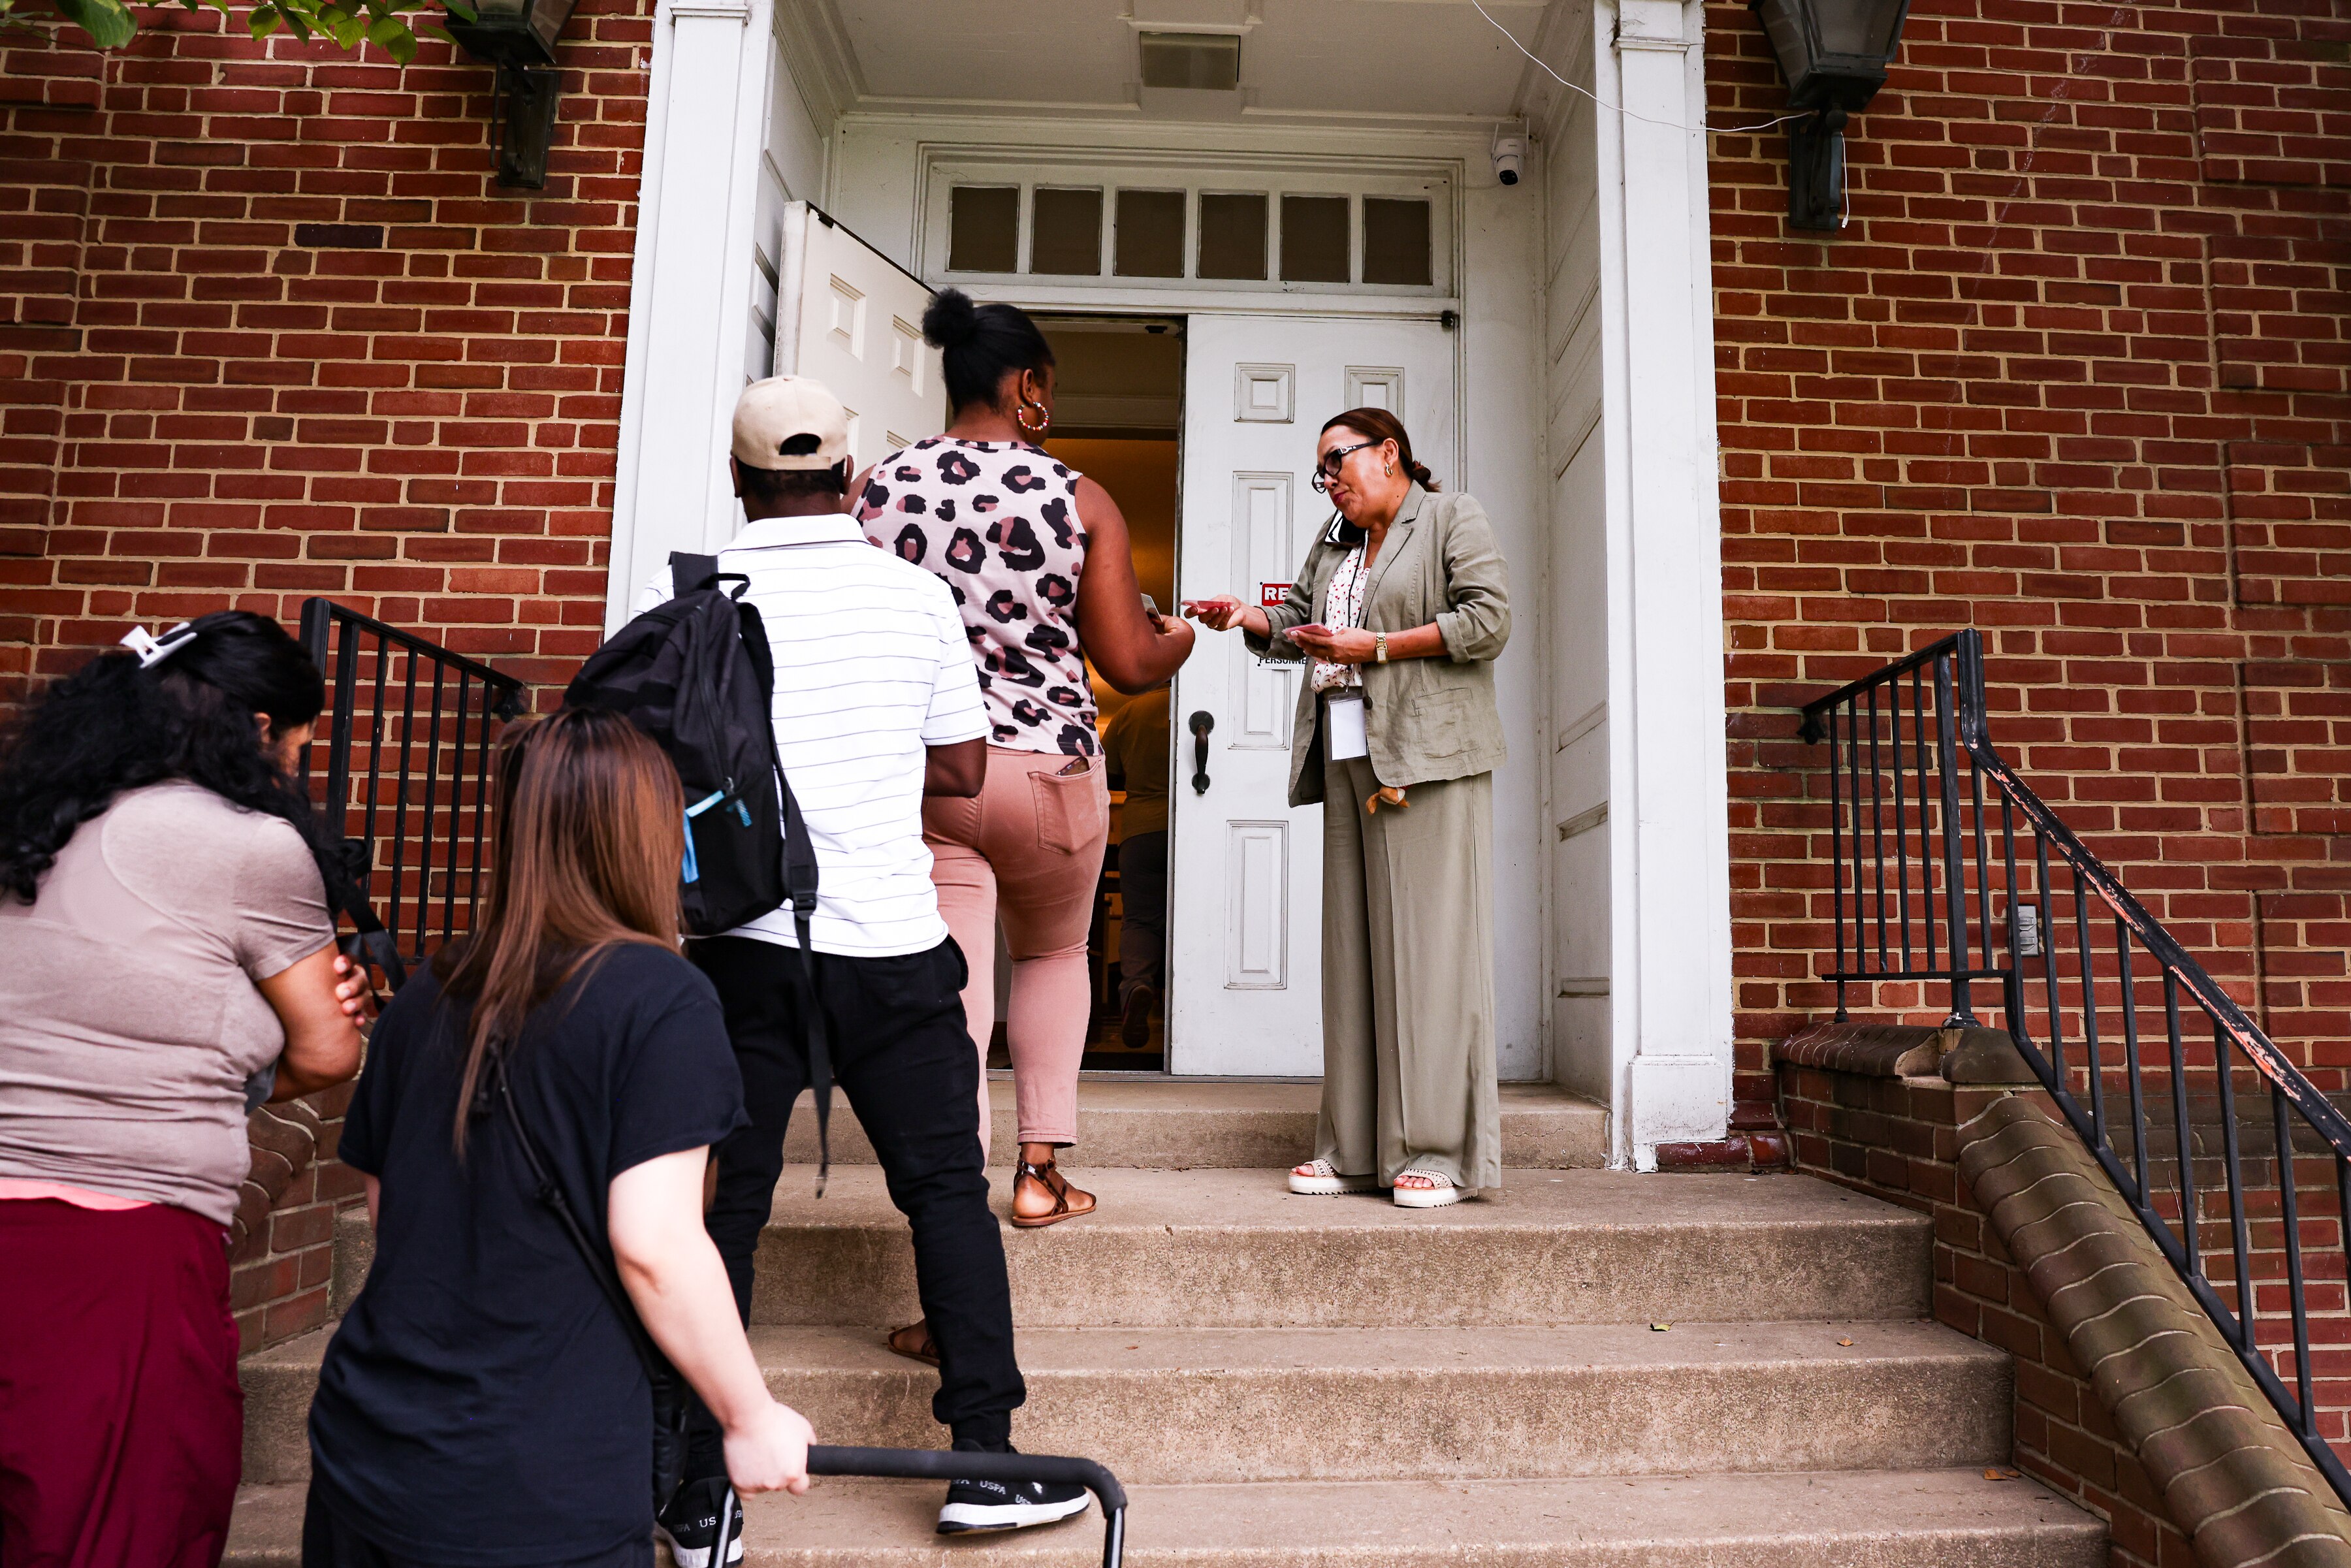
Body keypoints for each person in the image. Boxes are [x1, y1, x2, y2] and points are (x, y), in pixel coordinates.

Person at [641, 374, 1093, 1543]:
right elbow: (958, 772)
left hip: (737, 946)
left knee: (721, 1207)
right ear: (850, 480)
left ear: (739, 481)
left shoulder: (684, 594)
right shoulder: (913, 596)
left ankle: (698, 1493)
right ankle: (986, 1461)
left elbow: (639, 768)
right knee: (944, 1190)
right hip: (890, 940)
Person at [302, 707, 814, 1568]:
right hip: (531, 1476)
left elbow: (396, 1219)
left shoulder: (430, 993)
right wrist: (748, 1414)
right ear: (647, 835)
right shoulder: (663, 997)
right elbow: (653, 1242)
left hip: (367, 1446)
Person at [0, 611, 373, 1568]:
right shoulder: (244, 845)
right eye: (296, 742)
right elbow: (330, 1051)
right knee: (117, 1523)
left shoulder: (35, 817)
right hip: (121, 1248)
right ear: (255, 730)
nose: (294, 767)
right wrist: (252, 1064)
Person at [853, 288, 1193, 1234]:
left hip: (933, 773)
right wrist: (1180, 645)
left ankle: (955, 1190)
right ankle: (1039, 1173)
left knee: (954, 981)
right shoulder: (1077, 496)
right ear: (1027, 385)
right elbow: (1127, 660)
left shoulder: (876, 488)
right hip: (1047, 767)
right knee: (1053, 952)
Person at [1184, 408, 1511, 1209]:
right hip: (1347, 753)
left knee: (1429, 958)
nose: (1329, 481)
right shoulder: (1336, 540)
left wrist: (1380, 647)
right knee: (1353, 956)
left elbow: (1488, 618)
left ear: (1389, 452)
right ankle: (1356, 1149)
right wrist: (1248, 620)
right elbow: (1298, 619)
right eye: (1321, 471)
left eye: (1337, 463)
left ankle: (1438, 1150)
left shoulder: (1449, 517)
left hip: (1429, 757)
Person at [1100, 683, 1171, 1051]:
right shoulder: (1212, 705)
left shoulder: (1131, 711)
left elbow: (1108, 773)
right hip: (1196, 832)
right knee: (1201, 918)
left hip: (1141, 828)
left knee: (1141, 919)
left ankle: (1136, 986)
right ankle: (1189, 1001)